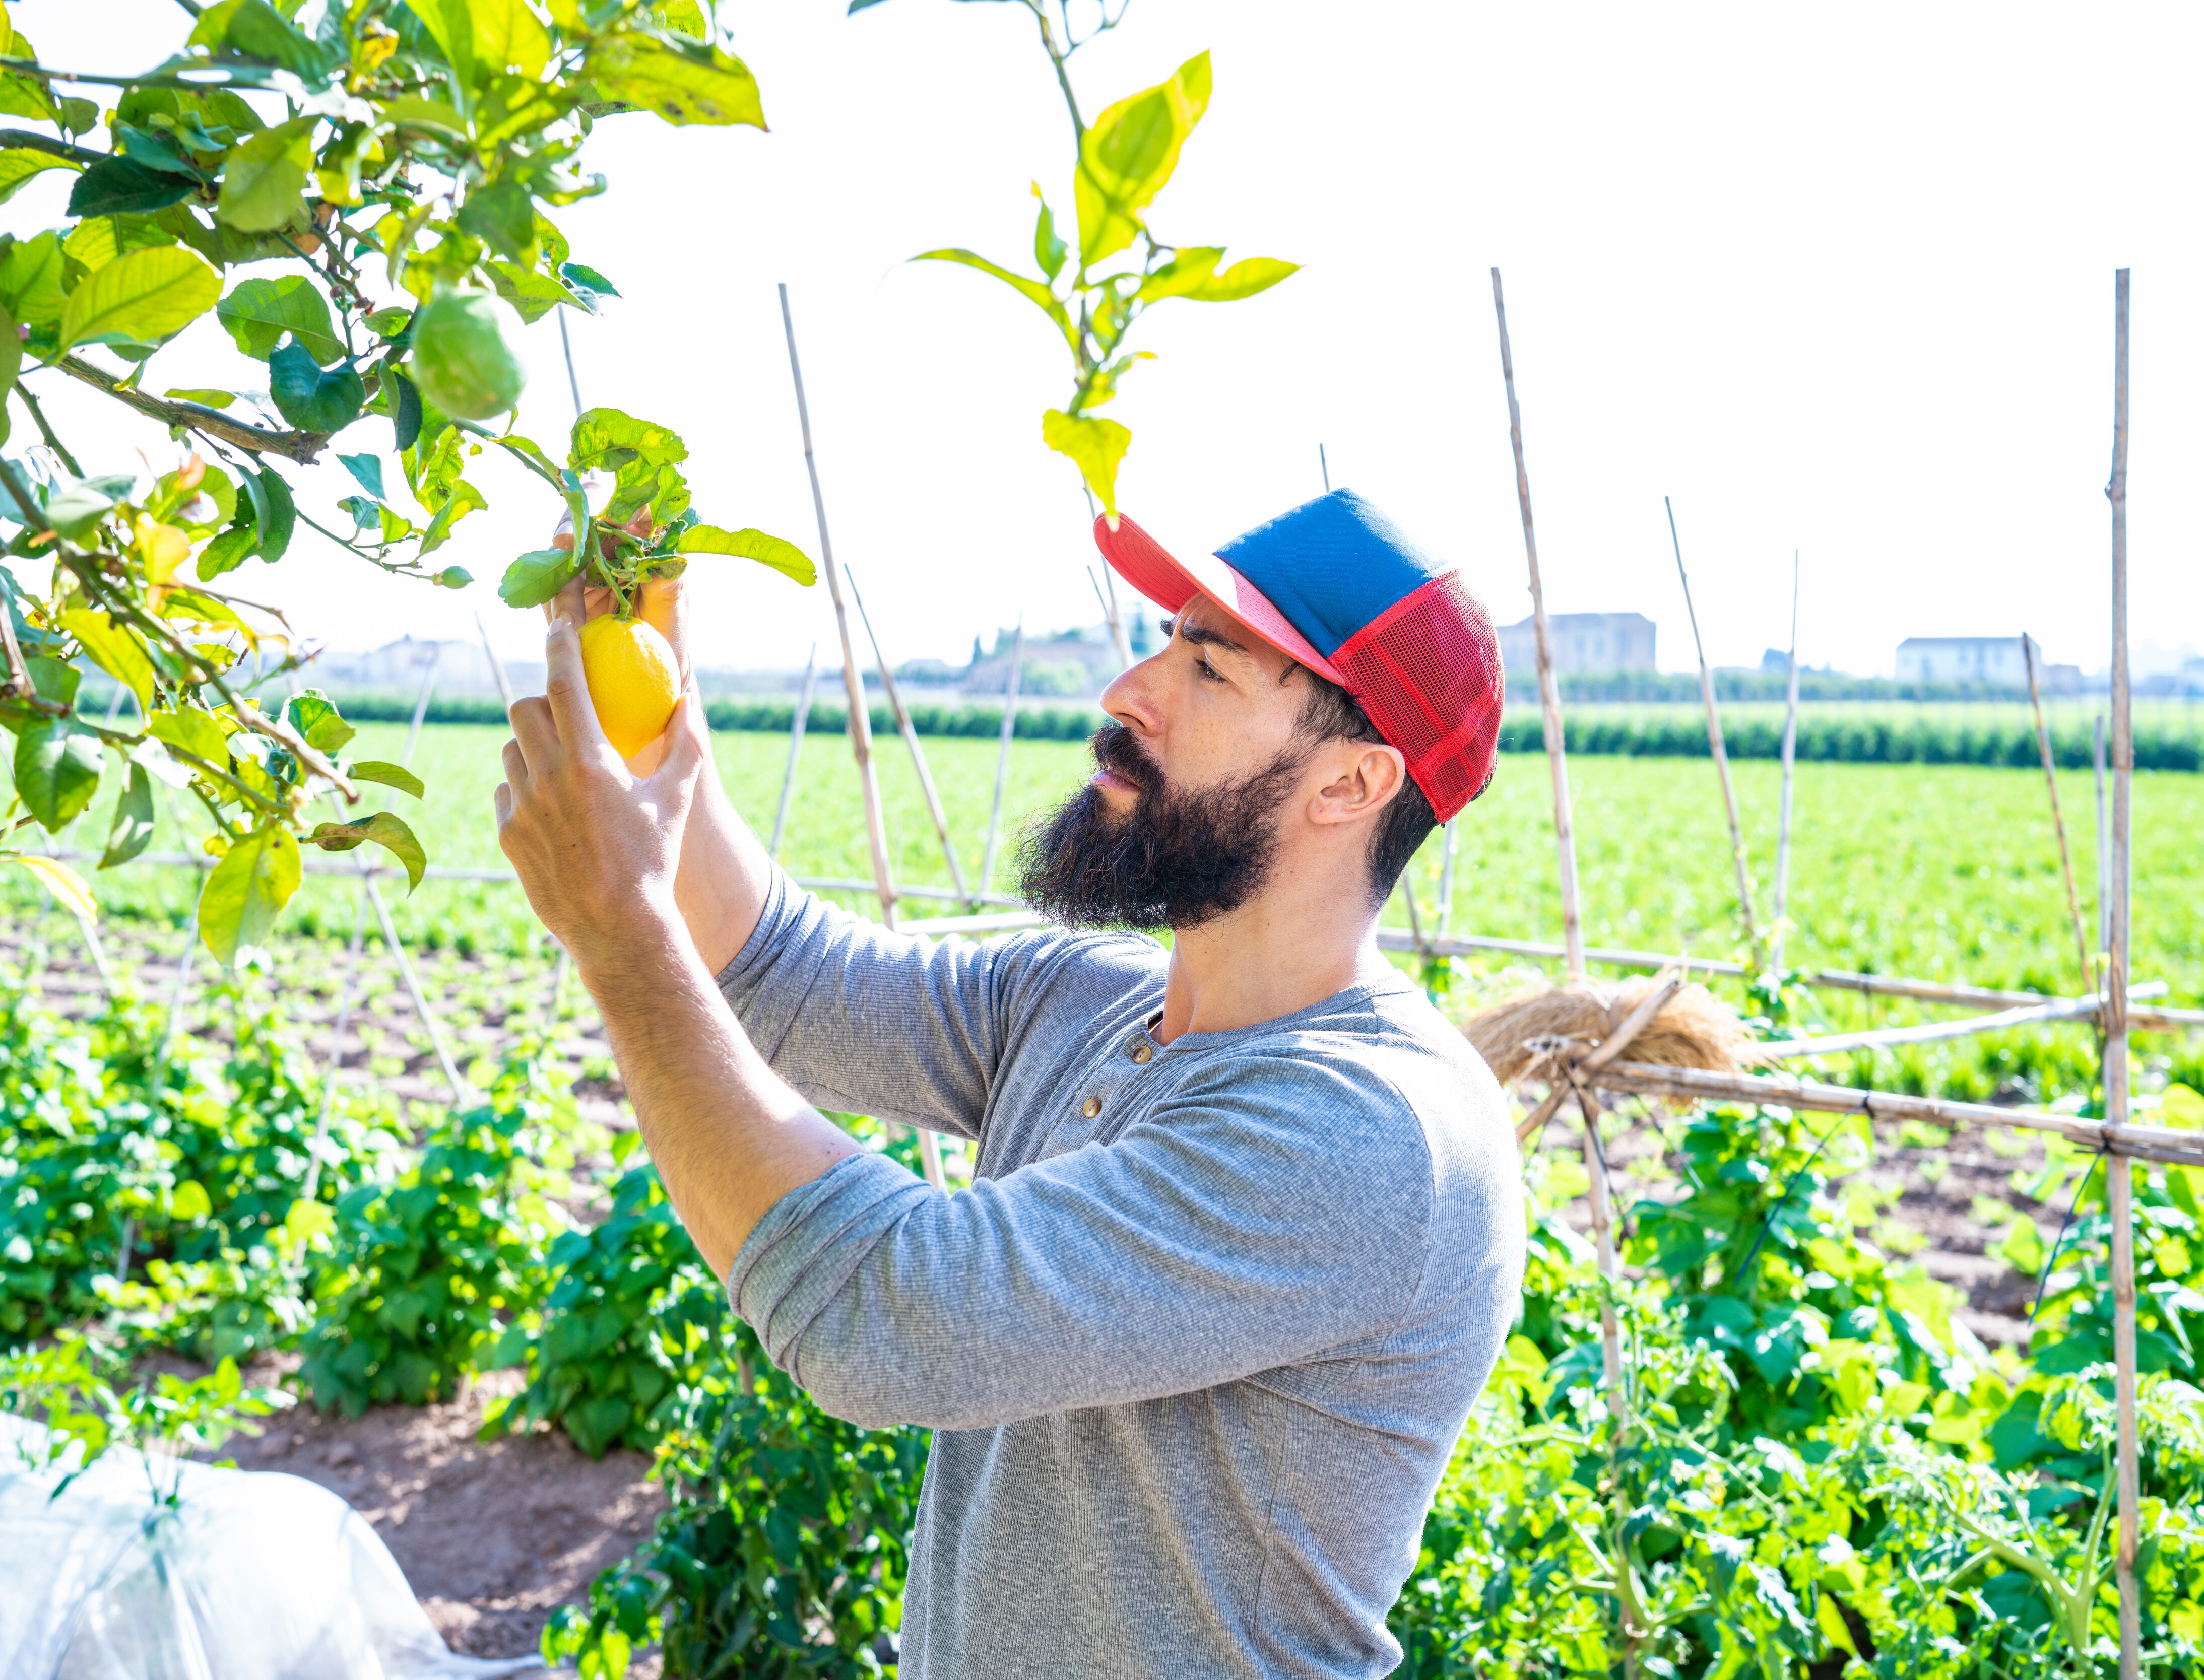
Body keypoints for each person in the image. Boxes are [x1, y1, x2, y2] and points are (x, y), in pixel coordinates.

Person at [496, 489, 1525, 1678]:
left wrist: (621, 932)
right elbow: (773, 972)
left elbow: (887, 1317)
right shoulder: (1081, 1002)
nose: (1128, 694)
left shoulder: (1371, 1130)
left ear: (1350, 786)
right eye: (1163, 644)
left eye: (1208, 669)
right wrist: (641, 688)